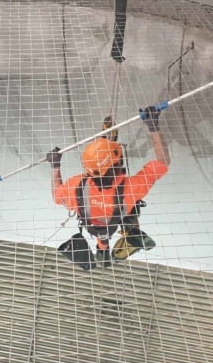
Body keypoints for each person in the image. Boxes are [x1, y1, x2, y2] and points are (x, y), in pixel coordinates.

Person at [46, 106, 170, 269]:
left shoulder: (78, 186)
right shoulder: (130, 188)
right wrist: (153, 127)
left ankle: (104, 255)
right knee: (130, 215)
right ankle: (117, 251)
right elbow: (163, 161)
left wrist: (55, 166)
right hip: (113, 218)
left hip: (94, 225)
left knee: (102, 239)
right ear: (118, 164)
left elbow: (57, 195)